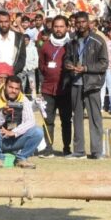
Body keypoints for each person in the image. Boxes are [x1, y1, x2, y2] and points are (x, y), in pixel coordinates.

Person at [63, 11, 107, 160]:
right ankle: (79, 151)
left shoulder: (98, 41)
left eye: (83, 22)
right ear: (74, 24)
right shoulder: (72, 41)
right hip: (76, 82)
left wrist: (86, 68)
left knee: (95, 118)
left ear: (88, 23)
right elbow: (67, 59)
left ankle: (97, 152)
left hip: (92, 84)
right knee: (77, 118)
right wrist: (69, 65)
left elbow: (104, 64)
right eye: (78, 22)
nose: (80, 25)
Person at [0, 71, 44, 168]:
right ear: (5, 86)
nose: (13, 91)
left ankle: (21, 158)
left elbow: (30, 121)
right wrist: (3, 114)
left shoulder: (23, 99)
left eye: (17, 89)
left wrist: (14, 132)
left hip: (16, 139)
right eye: (10, 87)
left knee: (38, 131)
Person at [38, 15, 72, 156]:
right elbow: (41, 65)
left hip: (65, 90)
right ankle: (48, 148)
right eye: (56, 26)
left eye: (61, 26)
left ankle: (66, 148)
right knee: (48, 120)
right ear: (52, 28)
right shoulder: (45, 45)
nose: (58, 29)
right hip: (47, 89)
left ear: (67, 28)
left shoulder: (71, 44)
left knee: (66, 120)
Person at [0, 10, 27, 83]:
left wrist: (12, 71)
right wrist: (0, 72)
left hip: (14, 77)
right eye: (1, 22)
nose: (4, 24)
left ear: (10, 22)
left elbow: (22, 58)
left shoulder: (19, 38)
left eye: (6, 22)